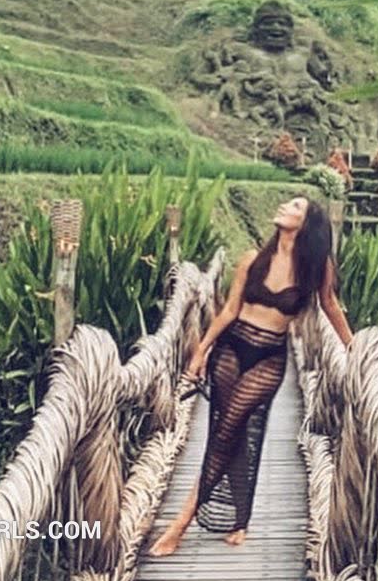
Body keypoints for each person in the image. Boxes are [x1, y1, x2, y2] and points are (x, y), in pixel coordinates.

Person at [148, 195, 353, 555]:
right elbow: (228, 311)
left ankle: (179, 524)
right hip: (231, 348)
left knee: (228, 431)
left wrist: (354, 349)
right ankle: (240, 519)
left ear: (307, 224)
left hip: (269, 359)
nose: (284, 207)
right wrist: (201, 351)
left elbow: (330, 306)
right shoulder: (252, 260)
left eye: (295, 206)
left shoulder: (315, 267)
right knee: (231, 434)